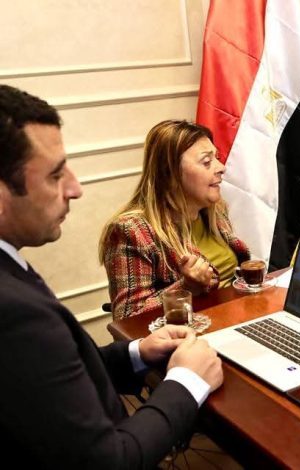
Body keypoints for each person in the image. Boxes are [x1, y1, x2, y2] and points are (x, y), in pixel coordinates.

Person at [0, 84, 223, 468]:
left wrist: (136, 352)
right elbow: (109, 461)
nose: (75, 188)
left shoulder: (11, 269)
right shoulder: (14, 313)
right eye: (55, 175)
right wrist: (186, 381)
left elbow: (50, 376)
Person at [99, 120, 251, 319]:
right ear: (170, 173)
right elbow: (128, 318)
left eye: (217, 158)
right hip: (189, 333)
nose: (221, 167)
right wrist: (186, 288)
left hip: (236, 318)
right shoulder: (131, 231)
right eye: (206, 162)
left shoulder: (215, 210)